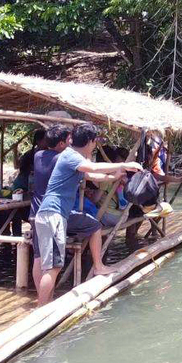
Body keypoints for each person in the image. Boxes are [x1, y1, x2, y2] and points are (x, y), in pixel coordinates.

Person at [33, 122, 143, 306]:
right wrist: (125, 163)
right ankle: (41, 309)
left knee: (93, 226)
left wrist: (114, 176)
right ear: (91, 142)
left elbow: (91, 176)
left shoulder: (73, 158)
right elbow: (92, 169)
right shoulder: (71, 156)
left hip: (56, 214)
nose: (94, 147)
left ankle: (98, 267)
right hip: (53, 214)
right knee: (53, 267)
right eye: (94, 143)